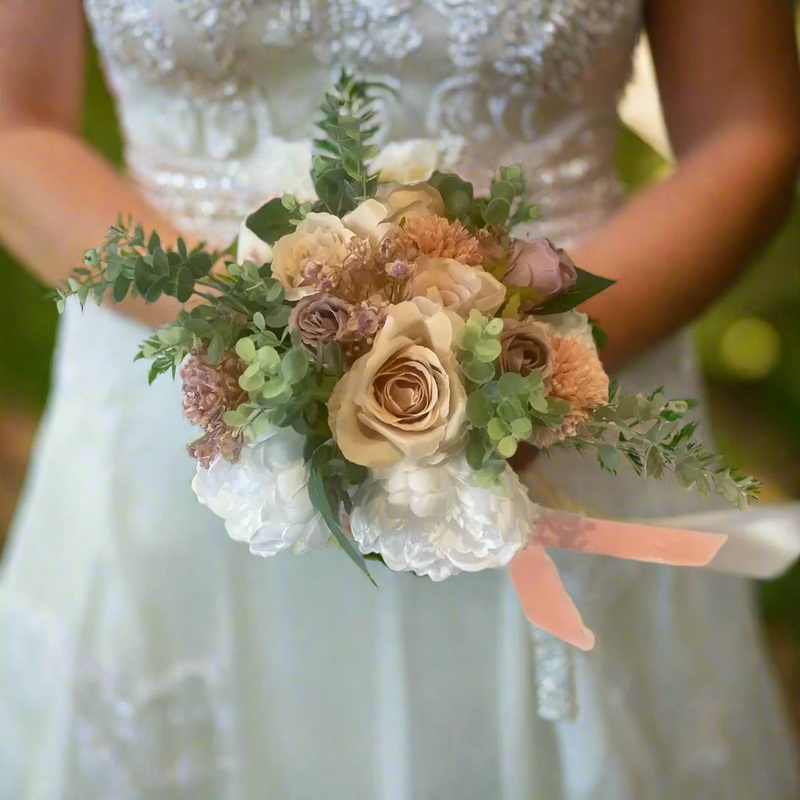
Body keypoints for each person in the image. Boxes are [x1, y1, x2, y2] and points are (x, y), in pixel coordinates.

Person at [1, 1, 799, 798]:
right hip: (183, 433)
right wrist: (259, 335)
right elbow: (14, 127)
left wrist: (535, 368)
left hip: (565, 414)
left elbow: (748, 127)